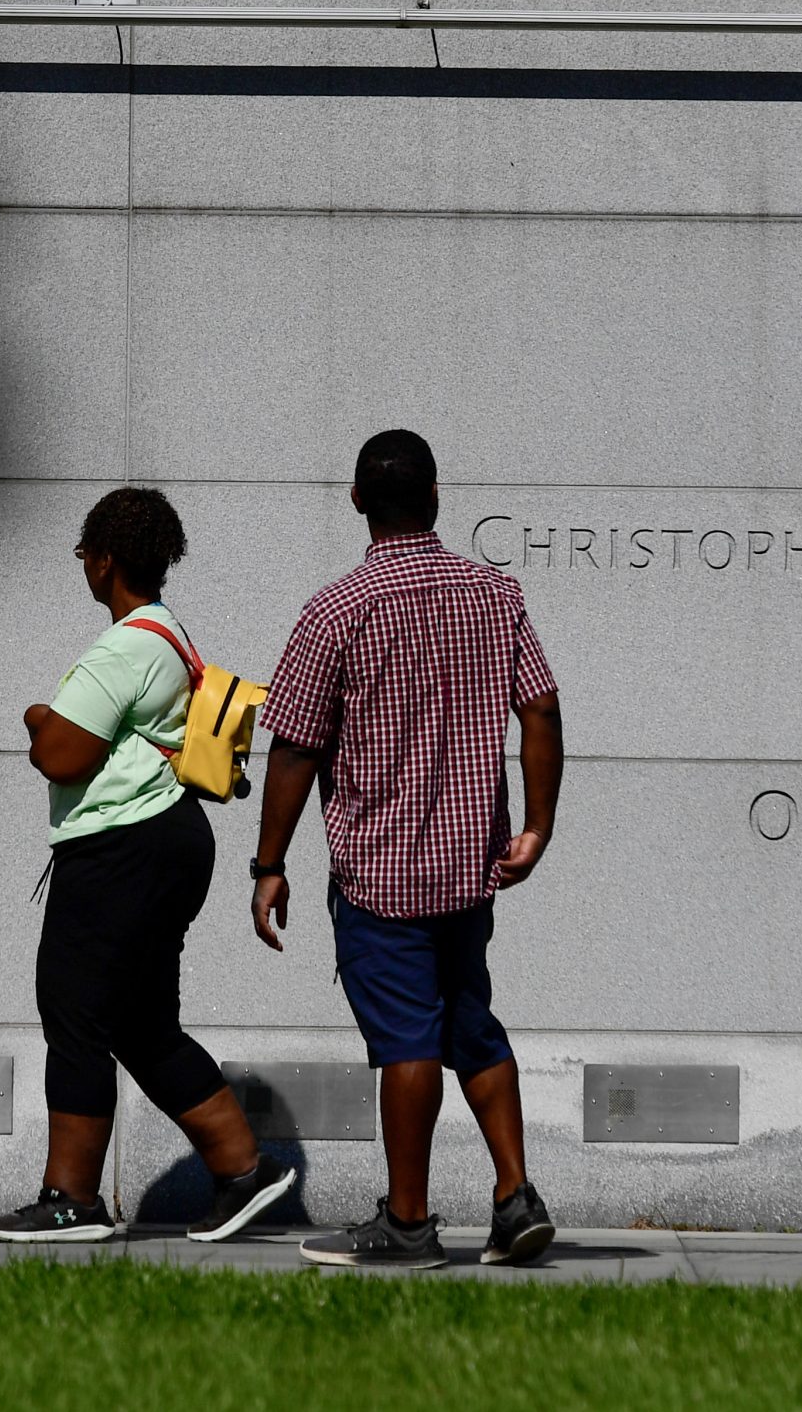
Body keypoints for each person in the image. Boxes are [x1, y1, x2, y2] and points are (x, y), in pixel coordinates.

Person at [250, 430, 566, 1269]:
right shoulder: (494, 596)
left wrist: (269, 863)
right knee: (471, 1024)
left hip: (380, 875)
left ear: (358, 501)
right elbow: (540, 709)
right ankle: (514, 1197)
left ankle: (411, 1223)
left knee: (408, 1045)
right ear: (433, 499)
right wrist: (536, 826)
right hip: (473, 868)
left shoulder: (335, 610)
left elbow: (294, 747)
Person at [0, 486, 295, 1245]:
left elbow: (60, 754)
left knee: (75, 1007)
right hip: (167, 842)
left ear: (107, 560)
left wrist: (35, 715)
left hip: (122, 848)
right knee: (141, 1021)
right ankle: (242, 1169)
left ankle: (72, 1199)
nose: (83, 567)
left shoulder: (126, 645)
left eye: (85, 554)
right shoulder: (170, 636)